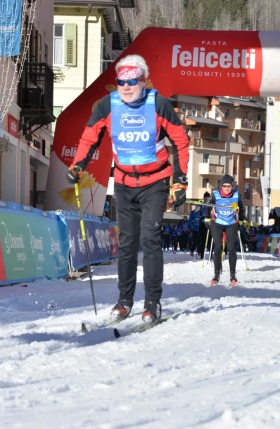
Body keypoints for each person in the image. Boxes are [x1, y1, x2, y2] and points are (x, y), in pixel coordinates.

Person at [65, 54, 190, 323]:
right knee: (127, 243)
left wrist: (180, 181)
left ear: (143, 81)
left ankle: (152, 302)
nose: (125, 86)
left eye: (132, 81)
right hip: (123, 183)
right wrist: (77, 166)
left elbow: (180, 140)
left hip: (155, 183)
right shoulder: (106, 106)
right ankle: (124, 301)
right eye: (121, 81)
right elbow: (89, 138)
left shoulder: (158, 104)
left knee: (150, 240)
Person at [207, 175, 245, 286]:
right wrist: (207, 218)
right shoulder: (215, 194)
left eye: (229, 186)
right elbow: (208, 206)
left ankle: (233, 274)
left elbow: (242, 208)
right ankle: (216, 273)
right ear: (221, 186)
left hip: (231, 223)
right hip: (217, 223)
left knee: (231, 248)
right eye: (224, 186)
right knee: (218, 247)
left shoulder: (237, 195)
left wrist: (242, 219)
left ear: (232, 186)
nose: (227, 188)